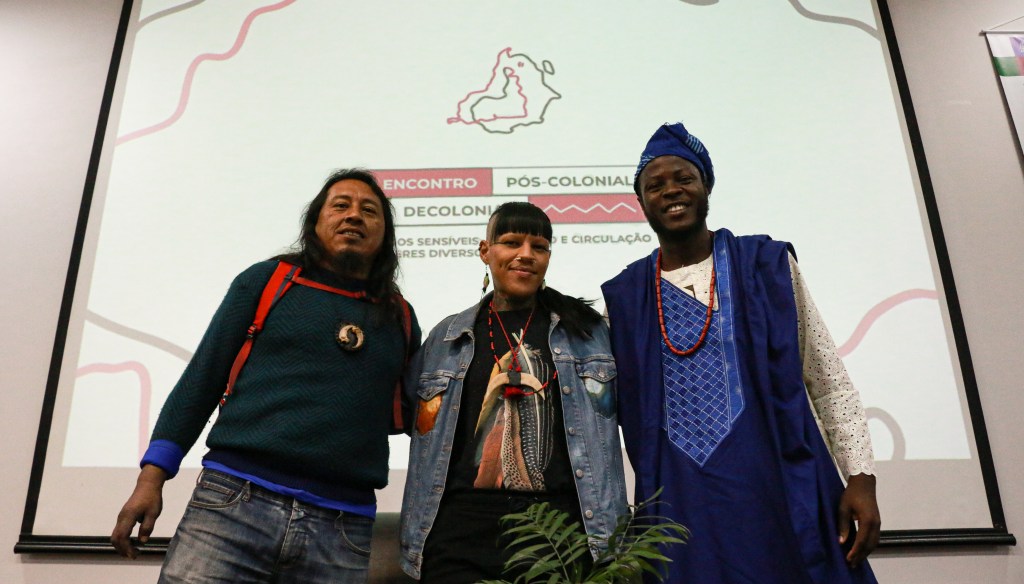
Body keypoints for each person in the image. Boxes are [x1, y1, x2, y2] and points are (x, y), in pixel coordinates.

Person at [601, 122, 881, 584]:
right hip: (683, 513)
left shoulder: (766, 266)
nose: (671, 190)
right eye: (655, 185)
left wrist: (861, 478)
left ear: (706, 186)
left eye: (684, 178)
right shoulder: (624, 300)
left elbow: (827, 378)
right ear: (641, 202)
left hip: (782, 491)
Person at [111, 169, 421, 584]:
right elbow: (202, 379)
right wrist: (151, 479)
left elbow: (418, 419)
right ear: (315, 221)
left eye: (369, 210)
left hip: (343, 528)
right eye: (340, 205)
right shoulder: (267, 281)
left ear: (385, 234)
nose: (354, 216)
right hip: (232, 506)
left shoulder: (400, 317)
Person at [400, 202, 628, 583]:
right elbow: (414, 419)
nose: (526, 254)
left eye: (539, 247)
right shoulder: (446, 338)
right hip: (459, 535)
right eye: (511, 242)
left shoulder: (587, 334)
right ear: (485, 251)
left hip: (558, 533)